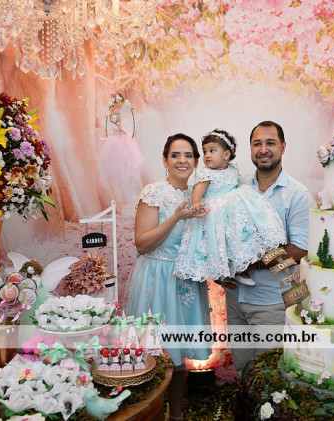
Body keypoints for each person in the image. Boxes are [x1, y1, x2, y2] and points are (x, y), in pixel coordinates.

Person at [126, 133, 211, 421]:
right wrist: (176, 217)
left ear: (196, 161)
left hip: (187, 282)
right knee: (152, 352)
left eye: (188, 155)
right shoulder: (154, 192)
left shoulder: (201, 196)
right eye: (175, 155)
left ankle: (176, 415)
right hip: (157, 278)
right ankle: (146, 413)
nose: (182, 161)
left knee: (178, 356)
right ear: (165, 160)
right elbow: (142, 243)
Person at [224, 121, 316, 375]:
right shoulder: (238, 187)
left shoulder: (297, 194)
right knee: (243, 369)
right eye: (257, 144)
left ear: (283, 147)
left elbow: (300, 250)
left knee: (269, 374)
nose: (263, 149)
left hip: (271, 302)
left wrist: (250, 262)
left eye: (270, 143)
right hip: (235, 298)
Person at [173, 129, 286, 285]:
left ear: (226, 155)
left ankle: (242, 268)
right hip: (215, 213)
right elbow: (198, 190)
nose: (207, 155)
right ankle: (223, 273)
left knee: (240, 238)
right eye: (205, 151)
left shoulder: (233, 169)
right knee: (219, 243)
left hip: (232, 211)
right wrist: (196, 203)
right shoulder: (206, 173)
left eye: (212, 151)